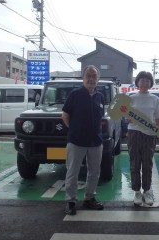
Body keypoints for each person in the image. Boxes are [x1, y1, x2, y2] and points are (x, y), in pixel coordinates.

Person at [62, 65, 104, 215]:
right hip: (76, 141)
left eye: (94, 76)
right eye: (89, 76)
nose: (91, 79)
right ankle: (71, 201)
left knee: (94, 172)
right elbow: (65, 116)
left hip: (96, 141)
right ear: (83, 78)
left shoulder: (100, 96)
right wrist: (75, 129)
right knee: (72, 172)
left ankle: (89, 198)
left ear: (98, 79)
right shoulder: (75, 94)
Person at [127, 71, 159, 206]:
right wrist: (138, 118)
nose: (144, 82)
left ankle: (147, 191)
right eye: (142, 80)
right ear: (137, 82)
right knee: (135, 163)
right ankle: (137, 192)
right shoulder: (131, 98)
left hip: (149, 135)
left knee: (147, 164)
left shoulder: (155, 99)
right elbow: (127, 117)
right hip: (134, 133)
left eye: (147, 80)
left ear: (150, 83)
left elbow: (158, 118)